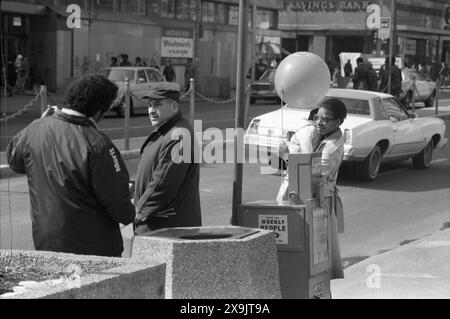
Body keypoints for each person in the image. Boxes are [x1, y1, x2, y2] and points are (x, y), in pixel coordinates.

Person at [6, 74, 135, 257]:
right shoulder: (99, 144)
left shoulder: (36, 128)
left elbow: (14, 160)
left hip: (46, 243)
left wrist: (39, 122)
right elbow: (121, 208)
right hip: (93, 249)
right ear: (98, 111)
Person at [133, 83, 201, 234]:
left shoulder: (178, 135)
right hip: (158, 225)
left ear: (174, 107)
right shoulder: (167, 131)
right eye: (149, 105)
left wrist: (139, 212)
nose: (151, 110)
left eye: (157, 105)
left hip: (166, 228)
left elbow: (163, 183)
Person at [314, 98, 347, 280]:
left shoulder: (330, 148)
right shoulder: (330, 138)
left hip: (321, 202)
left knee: (319, 254)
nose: (319, 122)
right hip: (323, 198)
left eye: (325, 120)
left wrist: (286, 156)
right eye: (317, 117)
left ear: (338, 122)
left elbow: (315, 177)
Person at [276, 108, 320, 202]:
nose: (324, 122)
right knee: (285, 199)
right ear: (315, 118)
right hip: (296, 168)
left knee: (289, 198)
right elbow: (306, 151)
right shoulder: (309, 129)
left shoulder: (311, 128)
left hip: (297, 167)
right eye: (322, 119)